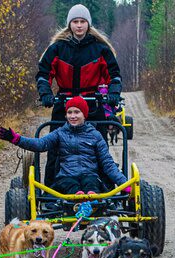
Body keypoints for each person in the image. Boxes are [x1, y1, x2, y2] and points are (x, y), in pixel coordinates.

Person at [36, 4, 123, 185]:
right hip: (64, 105)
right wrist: (45, 93)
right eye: (75, 21)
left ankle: (104, 187)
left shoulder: (100, 49)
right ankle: (51, 193)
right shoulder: (58, 49)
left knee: (99, 148)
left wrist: (113, 92)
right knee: (55, 148)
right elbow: (43, 74)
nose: (79, 25)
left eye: (82, 21)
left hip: (92, 104)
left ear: (88, 24)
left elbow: (114, 75)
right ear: (70, 24)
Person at [0, 96, 128, 195]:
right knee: (71, 184)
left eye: (77, 112)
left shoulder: (95, 135)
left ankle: (90, 200)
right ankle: (78, 199)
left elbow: (108, 164)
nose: (73, 116)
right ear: (65, 115)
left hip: (90, 175)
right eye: (70, 112)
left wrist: (125, 184)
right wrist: (16, 139)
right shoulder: (59, 133)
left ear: (84, 115)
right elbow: (40, 144)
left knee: (91, 183)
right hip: (66, 176)